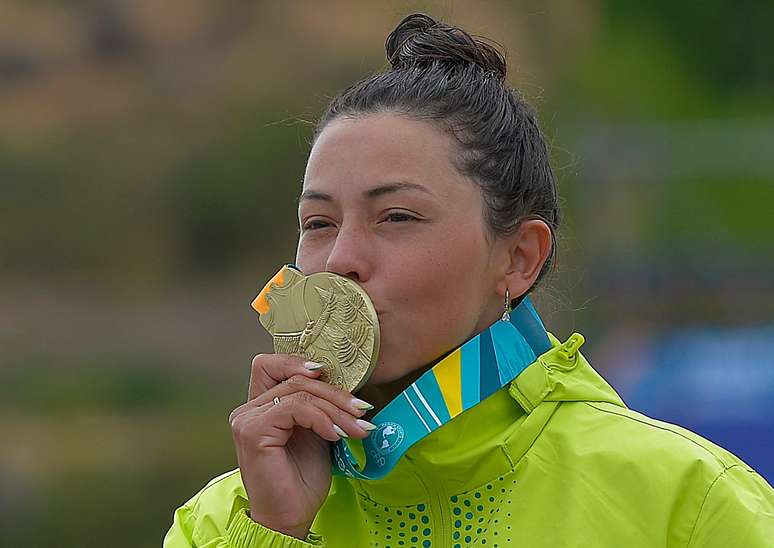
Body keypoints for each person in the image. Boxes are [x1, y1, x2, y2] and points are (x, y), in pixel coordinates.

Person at [163, 12, 774, 548]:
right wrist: (274, 533)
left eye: (396, 216)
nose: (339, 259)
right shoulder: (222, 523)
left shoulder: (687, 504)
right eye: (318, 222)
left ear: (517, 258)